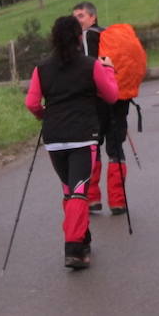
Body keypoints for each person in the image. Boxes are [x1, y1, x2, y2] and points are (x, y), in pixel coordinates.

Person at [25, 16, 118, 269]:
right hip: (82, 136)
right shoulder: (91, 65)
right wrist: (108, 69)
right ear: (79, 38)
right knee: (79, 191)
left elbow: (32, 103)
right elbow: (111, 95)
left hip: (54, 138)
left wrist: (45, 115)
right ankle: (75, 247)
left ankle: (83, 237)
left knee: (69, 190)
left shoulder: (41, 68)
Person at [73, 1, 125, 214]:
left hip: (95, 102)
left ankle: (93, 198)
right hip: (118, 99)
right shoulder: (110, 37)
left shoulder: (86, 38)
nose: (77, 20)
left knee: (92, 148)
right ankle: (118, 201)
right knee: (116, 149)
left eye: (81, 16)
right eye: (75, 16)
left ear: (93, 17)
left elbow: (86, 69)